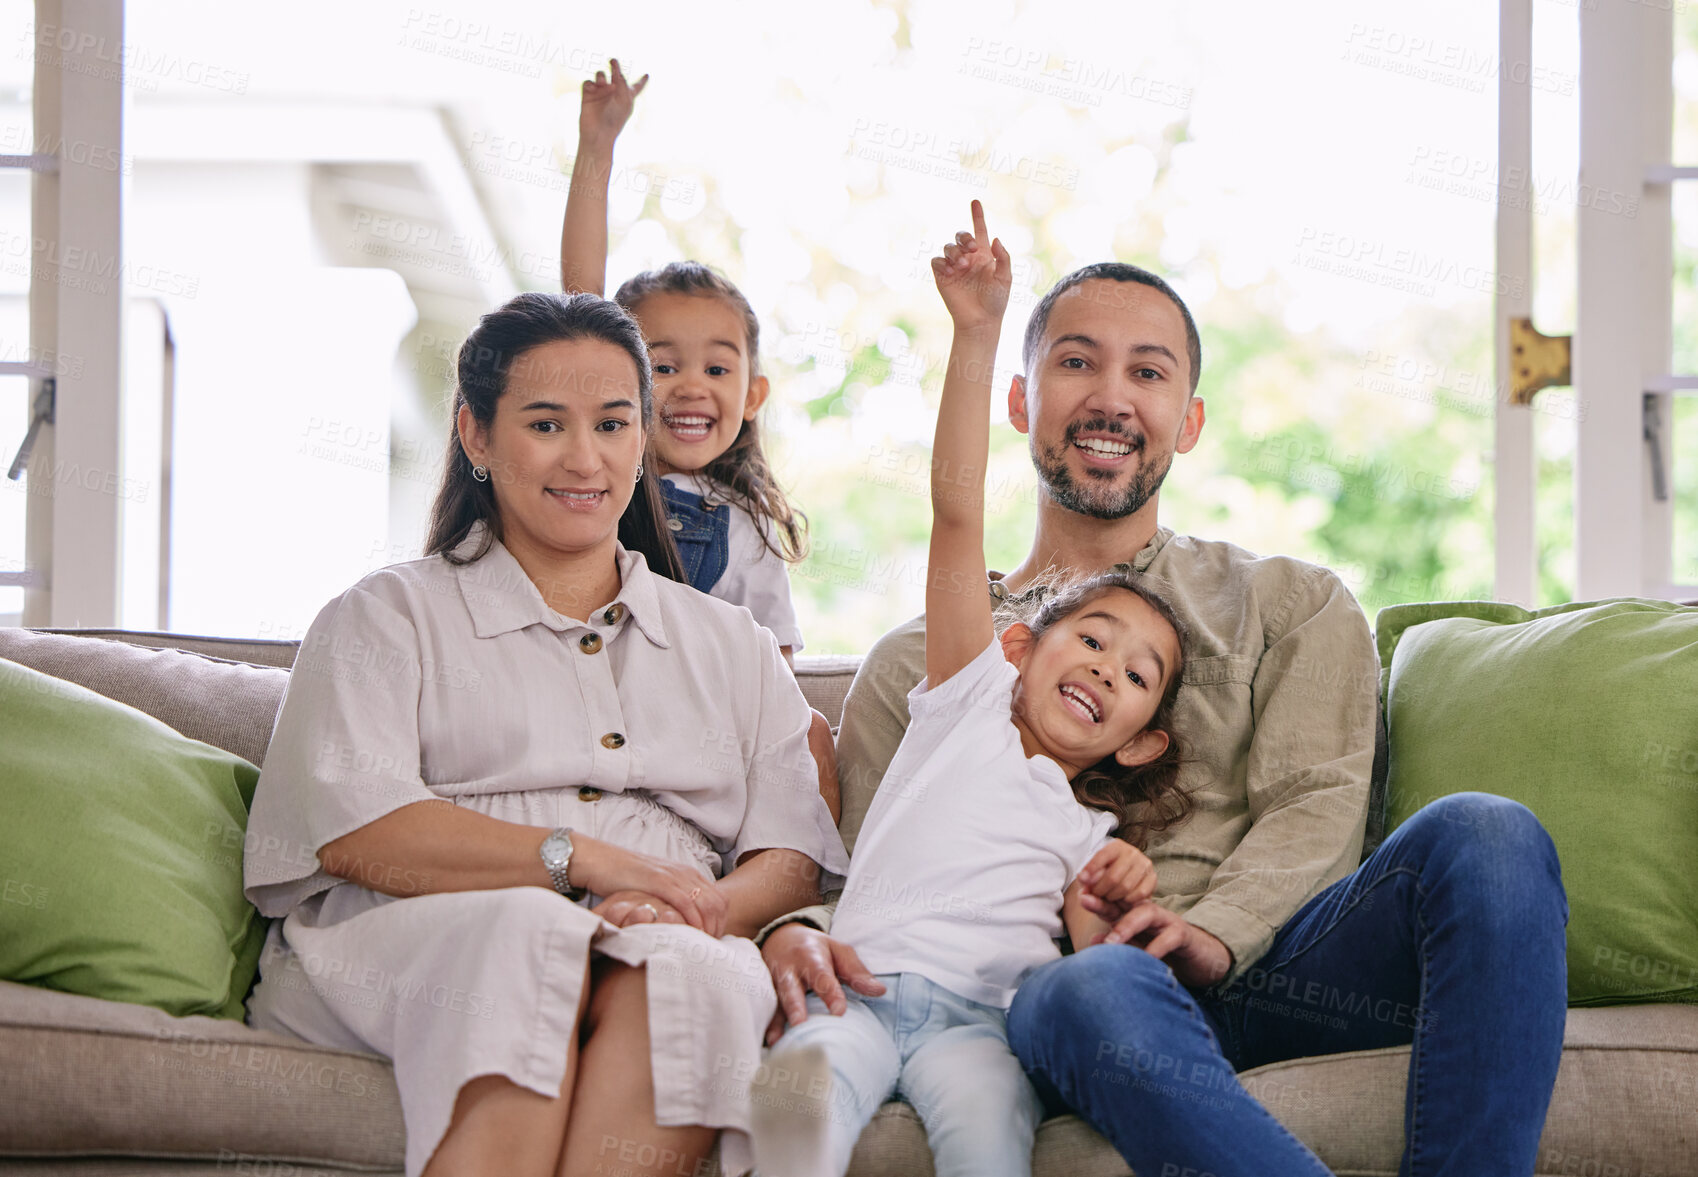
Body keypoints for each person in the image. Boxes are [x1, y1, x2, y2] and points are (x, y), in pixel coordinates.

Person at [757, 255, 1569, 1173]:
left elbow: (1319, 805)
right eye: (1076, 363)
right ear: (1020, 401)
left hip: (1279, 974)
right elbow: (875, 870)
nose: (1111, 398)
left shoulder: (1289, 601)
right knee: (1095, 982)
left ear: (1188, 422)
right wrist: (788, 931)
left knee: (1488, 834)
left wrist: (1213, 932)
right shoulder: (930, 663)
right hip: (1072, 1002)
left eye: (1147, 372)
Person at [242, 291, 849, 1177]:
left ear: (642, 436)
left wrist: (694, 906)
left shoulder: (733, 645)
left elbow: (789, 854)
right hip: (424, 932)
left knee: (699, 973)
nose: (585, 457)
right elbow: (358, 827)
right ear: (477, 437)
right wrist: (589, 863)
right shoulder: (386, 614)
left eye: (612, 423)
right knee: (530, 933)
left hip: (666, 925)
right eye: (545, 423)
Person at [750, 203, 1192, 1177]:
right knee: (797, 1099)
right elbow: (956, 514)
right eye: (1090, 640)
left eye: (1134, 679)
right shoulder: (961, 706)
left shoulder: (1092, 837)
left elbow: (1086, 966)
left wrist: (1119, 900)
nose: (1103, 672)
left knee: (994, 1138)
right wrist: (978, 330)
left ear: (1139, 741)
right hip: (856, 993)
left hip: (980, 1028)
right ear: (1020, 646)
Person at [562, 59, 838, 821]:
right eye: (662, 365)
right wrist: (598, 149)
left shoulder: (746, 523)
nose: (690, 385)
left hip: (703, 723)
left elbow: (774, 671)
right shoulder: (597, 476)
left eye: (717, 367)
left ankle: (810, 887)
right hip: (591, 698)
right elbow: (580, 304)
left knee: (810, 729)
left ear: (751, 397)